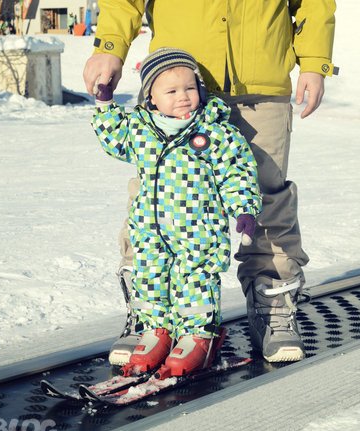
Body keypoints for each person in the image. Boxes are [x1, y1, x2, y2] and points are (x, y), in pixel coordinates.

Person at [83, 1, 337, 366]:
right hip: (174, 78)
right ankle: (149, 314)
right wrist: (110, 44)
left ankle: (272, 304)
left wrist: (314, 59)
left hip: (260, 82)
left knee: (266, 198)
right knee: (156, 196)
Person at [91, 48, 261, 375]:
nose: (183, 96)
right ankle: (156, 332)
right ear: (151, 98)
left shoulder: (215, 132)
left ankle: (198, 336)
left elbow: (237, 171)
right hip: (149, 229)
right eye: (171, 91)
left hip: (198, 228)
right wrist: (105, 103)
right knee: (149, 278)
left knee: (196, 279)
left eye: (190, 88)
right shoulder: (140, 129)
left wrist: (244, 208)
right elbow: (113, 138)